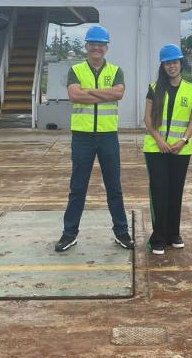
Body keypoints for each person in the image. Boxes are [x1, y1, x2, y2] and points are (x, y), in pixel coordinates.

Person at [55, 25, 134, 252]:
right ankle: (69, 234)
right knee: (77, 187)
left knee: (114, 187)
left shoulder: (116, 70)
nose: (96, 48)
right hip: (82, 136)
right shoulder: (76, 69)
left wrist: (88, 93)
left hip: (108, 135)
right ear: (87, 46)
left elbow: (119, 93)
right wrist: (104, 94)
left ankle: (122, 232)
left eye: (100, 44)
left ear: (106, 48)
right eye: (93, 44)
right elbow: (74, 95)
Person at [143, 44, 192, 255]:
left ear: (181, 64)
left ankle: (173, 233)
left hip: (180, 150)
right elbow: (148, 119)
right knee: (159, 192)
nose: (171, 66)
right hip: (156, 149)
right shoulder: (154, 87)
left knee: (176, 192)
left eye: (175, 62)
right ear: (163, 66)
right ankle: (158, 237)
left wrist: (183, 140)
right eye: (168, 63)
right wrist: (159, 140)